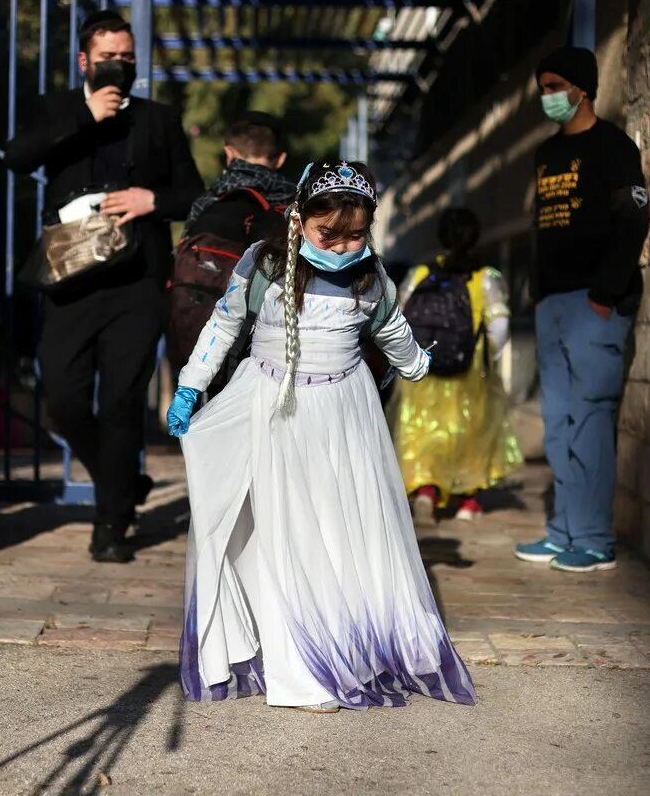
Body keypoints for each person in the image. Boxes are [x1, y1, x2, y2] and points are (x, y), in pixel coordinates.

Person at [167, 160, 476, 712]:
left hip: (342, 418)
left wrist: (417, 364)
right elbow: (224, 323)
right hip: (270, 410)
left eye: (353, 235)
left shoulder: (371, 277)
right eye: (326, 234)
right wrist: (191, 385)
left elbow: (395, 334)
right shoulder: (263, 264)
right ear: (298, 220)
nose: (339, 247)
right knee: (281, 529)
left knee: (334, 531)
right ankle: (297, 668)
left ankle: (334, 646)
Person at [5, 10, 203, 563]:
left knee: (119, 403)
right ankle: (121, 485)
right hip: (71, 279)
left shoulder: (159, 119)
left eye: (127, 56)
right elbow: (16, 157)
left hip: (138, 284)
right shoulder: (58, 109)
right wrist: (83, 118)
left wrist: (152, 201)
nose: (119, 65)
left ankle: (110, 524)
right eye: (108, 56)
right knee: (65, 396)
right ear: (84, 61)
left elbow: (195, 194)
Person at [516, 47, 650, 573]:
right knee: (558, 422)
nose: (548, 96)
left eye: (555, 86)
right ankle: (564, 531)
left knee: (591, 419)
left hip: (594, 303)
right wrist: (540, 290)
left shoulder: (614, 147)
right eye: (542, 88)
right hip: (552, 302)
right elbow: (541, 227)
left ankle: (594, 539)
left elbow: (633, 221)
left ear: (582, 88)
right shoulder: (546, 154)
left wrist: (604, 294)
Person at [388, 207, 523, 526]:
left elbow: (398, 315)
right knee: (470, 435)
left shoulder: (421, 274)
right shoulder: (485, 278)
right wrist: (488, 357)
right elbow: (499, 328)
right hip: (469, 374)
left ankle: (426, 490)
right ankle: (468, 499)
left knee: (422, 433)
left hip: (425, 372)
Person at [166, 112, 295, 392]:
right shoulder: (296, 207)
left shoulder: (207, 202)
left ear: (229, 153)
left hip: (211, 347)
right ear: (281, 159)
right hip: (274, 352)